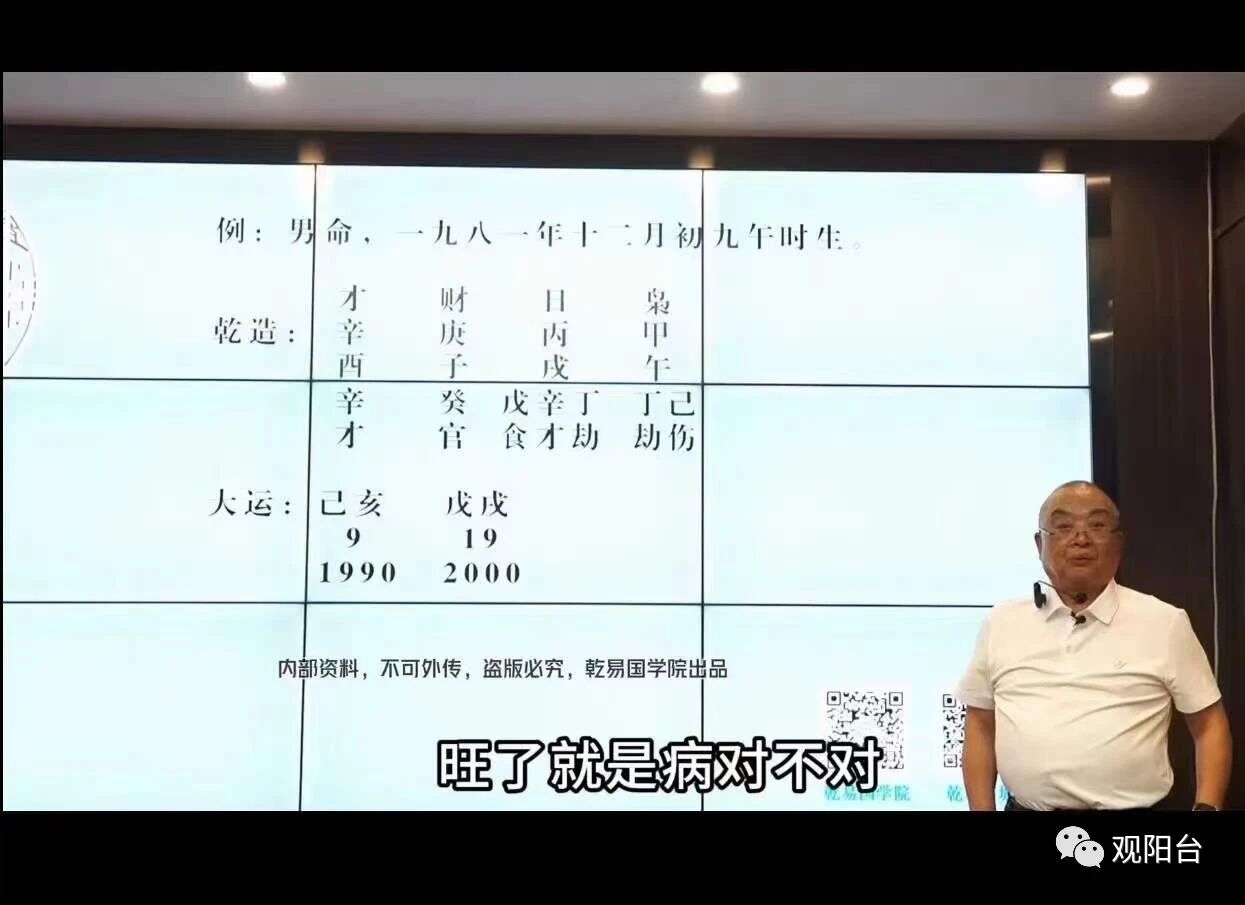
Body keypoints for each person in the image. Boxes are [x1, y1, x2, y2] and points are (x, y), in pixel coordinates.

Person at [956, 480, 1232, 811]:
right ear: (1039, 543)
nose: (1081, 538)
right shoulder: (1002, 622)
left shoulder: (1164, 622)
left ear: (1119, 543)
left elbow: (1209, 725)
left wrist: (1207, 808)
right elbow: (980, 725)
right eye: (1063, 527)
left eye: (1097, 525)